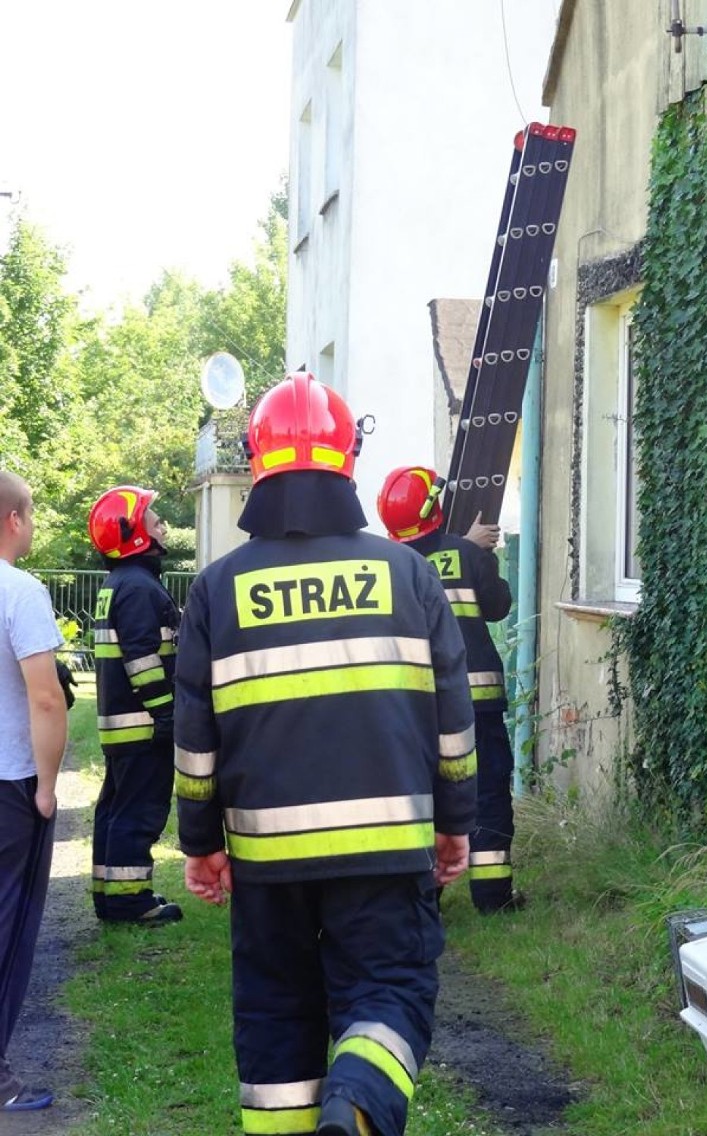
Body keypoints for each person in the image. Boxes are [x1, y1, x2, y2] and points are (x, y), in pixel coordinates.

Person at [174, 373, 476, 1136]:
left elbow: (195, 744)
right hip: (386, 847)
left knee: (276, 1008)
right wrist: (455, 823)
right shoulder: (407, 574)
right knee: (389, 991)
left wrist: (203, 845)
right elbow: (452, 721)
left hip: (265, 855)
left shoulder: (217, 589)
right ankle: (357, 1108)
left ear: (257, 462)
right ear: (349, 458)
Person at [378, 466, 524, 915]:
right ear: (433, 507)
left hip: (415, 710)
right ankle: (493, 898)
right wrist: (478, 552)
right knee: (488, 796)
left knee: (425, 798)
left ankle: (426, 897)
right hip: (476, 709)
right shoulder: (467, 552)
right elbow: (498, 606)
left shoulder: (384, 567)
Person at [0, 471, 68, 1112]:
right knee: (8, 926)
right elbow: (46, 698)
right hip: (10, 783)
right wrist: (47, 789)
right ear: (15, 519)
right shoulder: (19, 592)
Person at [88, 485, 182, 925]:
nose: (161, 523)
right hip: (144, 727)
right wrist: (166, 713)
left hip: (122, 726)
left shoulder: (120, 584)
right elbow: (144, 661)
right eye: (153, 517)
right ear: (132, 533)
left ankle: (111, 894)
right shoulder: (140, 588)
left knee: (115, 810)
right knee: (139, 812)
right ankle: (131, 902)